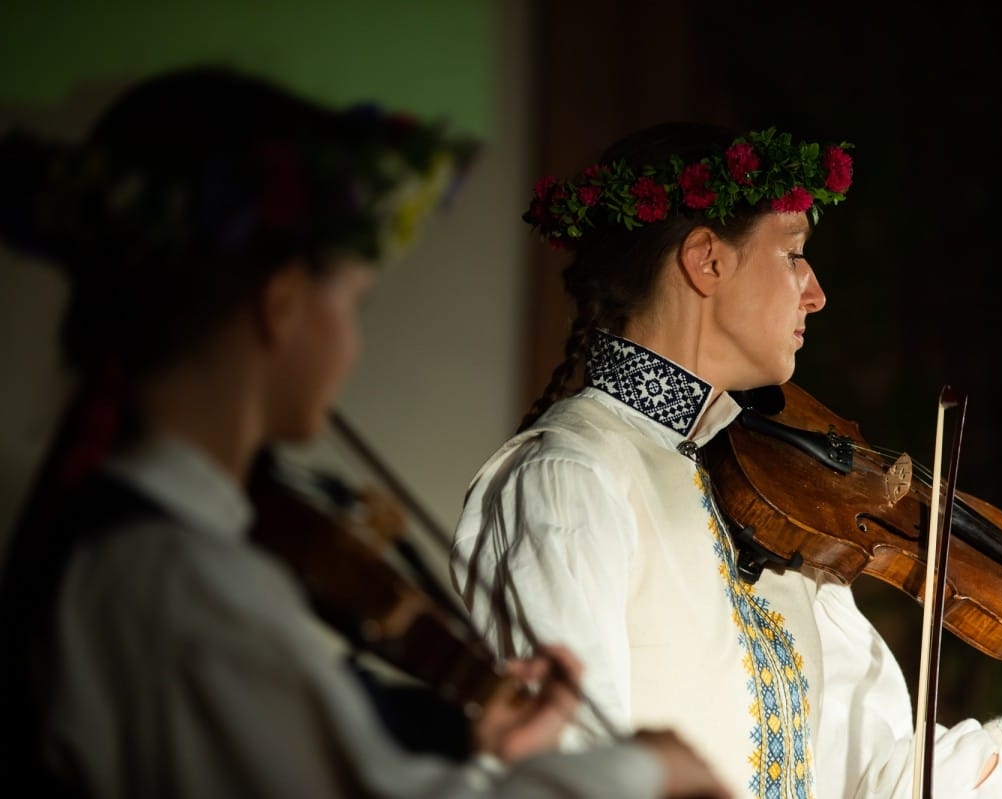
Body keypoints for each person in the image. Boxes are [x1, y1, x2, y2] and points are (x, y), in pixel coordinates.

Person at [0, 66, 732, 799]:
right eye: (357, 302)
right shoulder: (173, 576)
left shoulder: (168, 557)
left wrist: (465, 733)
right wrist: (644, 769)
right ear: (281, 303)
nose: (353, 339)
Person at [448, 121, 1002, 799]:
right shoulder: (570, 477)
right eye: (794, 257)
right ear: (706, 259)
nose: (817, 293)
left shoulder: (786, 511)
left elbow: (885, 786)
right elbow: (564, 778)